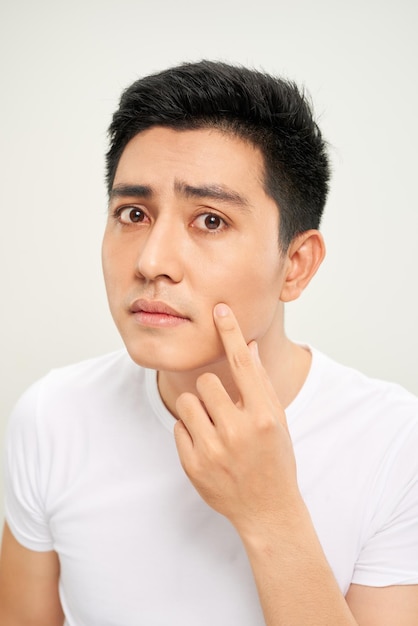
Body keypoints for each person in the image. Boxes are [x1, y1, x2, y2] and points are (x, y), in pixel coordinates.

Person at [0, 60, 417, 626]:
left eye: (211, 221)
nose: (151, 262)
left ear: (295, 264)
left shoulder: (395, 446)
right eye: (133, 213)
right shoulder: (53, 417)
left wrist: (271, 514)